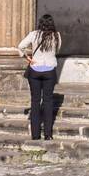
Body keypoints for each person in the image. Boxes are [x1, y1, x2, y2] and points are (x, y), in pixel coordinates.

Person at [17, 14, 61, 142]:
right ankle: (48, 134)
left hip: (35, 71)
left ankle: (35, 135)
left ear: (40, 23)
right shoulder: (56, 36)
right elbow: (57, 51)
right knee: (48, 102)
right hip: (49, 71)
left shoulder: (33, 34)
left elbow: (20, 46)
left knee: (35, 102)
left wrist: (28, 58)